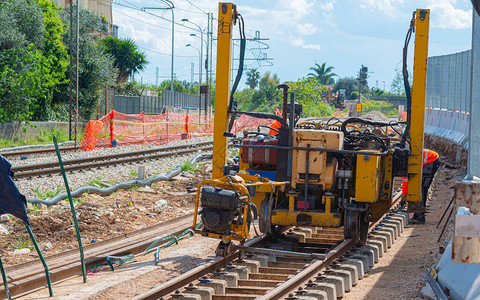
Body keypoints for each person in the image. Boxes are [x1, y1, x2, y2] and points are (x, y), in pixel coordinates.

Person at [401, 149, 441, 224]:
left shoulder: (406, 162)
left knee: (421, 188)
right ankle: (419, 215)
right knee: (422, 188)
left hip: (431, 160)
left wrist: (404, 194)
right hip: (431, 160)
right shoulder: (406, 157)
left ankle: (419, 217)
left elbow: (405, 180)